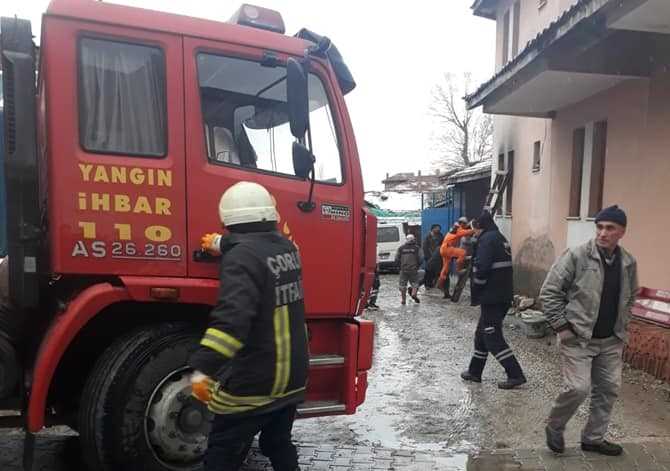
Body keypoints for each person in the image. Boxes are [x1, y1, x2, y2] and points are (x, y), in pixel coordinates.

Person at [190, 181, 308, 471]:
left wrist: (201, 369)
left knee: (222, 451)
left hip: (256, 382)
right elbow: (259, 245)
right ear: (271, 216)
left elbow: (231, 323)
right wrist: (221, 244)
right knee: (278, 443)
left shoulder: (241, 257)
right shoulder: (287, 248)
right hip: (293, 378)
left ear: (229, 220)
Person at [540, 205, 638, 457]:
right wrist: (562, 327)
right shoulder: (577, 255)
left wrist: (622, 327)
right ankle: (555, 425)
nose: (603, 233)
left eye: (610, 228)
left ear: (622, 232)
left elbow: (630, 296)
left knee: (608, 390)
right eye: (600, 227)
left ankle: (593, 438)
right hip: (578, 338)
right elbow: (550, 292)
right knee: (578, 388)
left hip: (610, 340)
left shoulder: (627, 262)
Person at [461, 211, 526, 389]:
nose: (473, 232)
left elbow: (481, 268)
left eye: (474, 229)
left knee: (492, 337)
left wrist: (478, 286)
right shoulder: (498, 237)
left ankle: (515, 374)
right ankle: (474, 372)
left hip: (492, 296)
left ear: (480, 227)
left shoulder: (487, 240)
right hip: (500, 295)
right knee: (481, 334)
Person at [437, 220, 474, 297]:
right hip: (447, 248)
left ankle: (440, 284)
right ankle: (459, 270)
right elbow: (469, 232)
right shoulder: (459, 231)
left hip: (443, 249)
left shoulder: (454, 229)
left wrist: (469, 223)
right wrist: (476, 228)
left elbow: (463, 228)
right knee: (462, 252)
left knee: (445, 269)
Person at [395, 234, 422, 305]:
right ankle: (413, 293)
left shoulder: (401, 248)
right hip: (414, 269)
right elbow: (421, 258)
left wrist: (399, 267)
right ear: (414, 240)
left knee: (402, 285)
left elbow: (396, 258)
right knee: (415, 282)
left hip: (403, 269)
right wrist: (418, 265)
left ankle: (403, 300)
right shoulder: (417, 248)